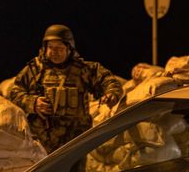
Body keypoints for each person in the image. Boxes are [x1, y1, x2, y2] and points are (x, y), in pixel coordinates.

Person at [9, 24, 123, 153]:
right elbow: (14, 93)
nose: (54, 52)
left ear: (69, 49)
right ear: (44, 48)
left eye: (59, 48)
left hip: (75, 141)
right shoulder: (34, 70)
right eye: (51, 48)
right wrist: (33, 103)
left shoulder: (83, 70)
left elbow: (109, 81)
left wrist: (111, 94)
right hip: (42, 142)